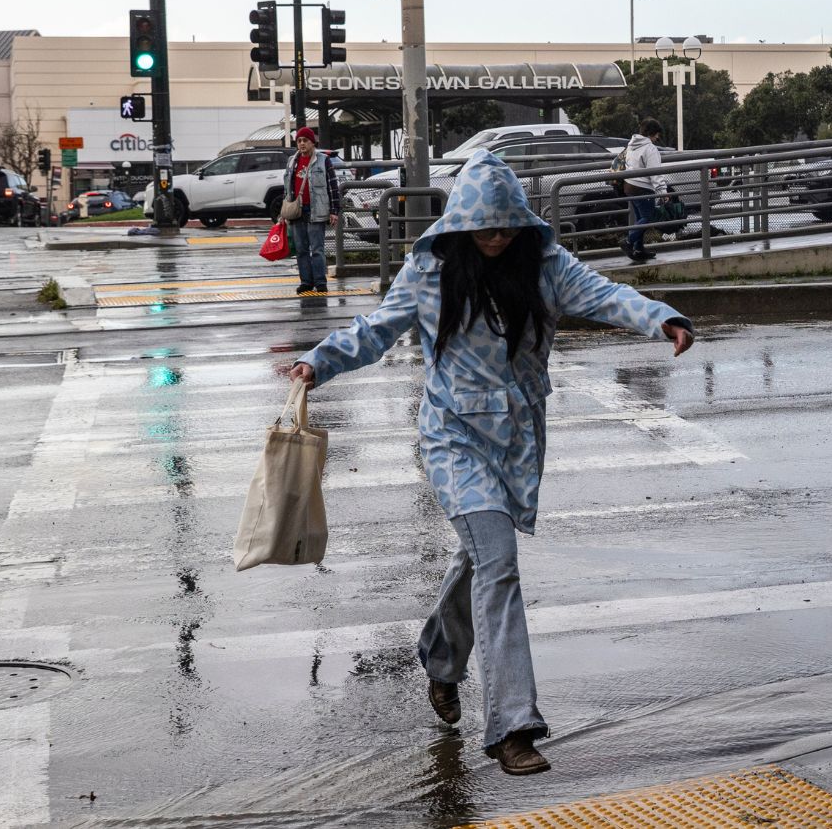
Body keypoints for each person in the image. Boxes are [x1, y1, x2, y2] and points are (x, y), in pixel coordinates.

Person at [287, 150, 695, 775]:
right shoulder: (430, 271)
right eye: (485, 227)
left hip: (517, 439)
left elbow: (604, 294)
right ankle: (513, 726)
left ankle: (439, 656)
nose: (497, 236)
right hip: (452, 439)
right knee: (498, 563)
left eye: (506, 226)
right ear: (460, 225)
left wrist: (660, 317)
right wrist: (320, 361)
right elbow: (374, 330)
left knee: (479, 558)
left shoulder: (545, 266)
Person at [282, 127, 341, 295]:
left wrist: (334, 211)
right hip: (297, 211)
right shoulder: (292, 161)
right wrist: (283, 213)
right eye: (299, 141)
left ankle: (320, 282)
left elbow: (332, 187)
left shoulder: (323, 160)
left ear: (312, 142)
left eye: (305, 140)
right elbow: (286, 189)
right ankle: (306, 282)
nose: (302, 144)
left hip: (317, 210)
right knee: (301, 249)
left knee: (317, 249)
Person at [619, 118, 671, 262]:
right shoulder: (650, 149)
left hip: (629, 185)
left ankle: (638, 249)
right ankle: (629, 241)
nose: (658, 137)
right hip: (642, 187)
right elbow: (655, 173)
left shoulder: (631, 145)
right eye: (657, 134)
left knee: (640, 219)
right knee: (649, 218)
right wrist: (663, 192)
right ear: (652, 133)